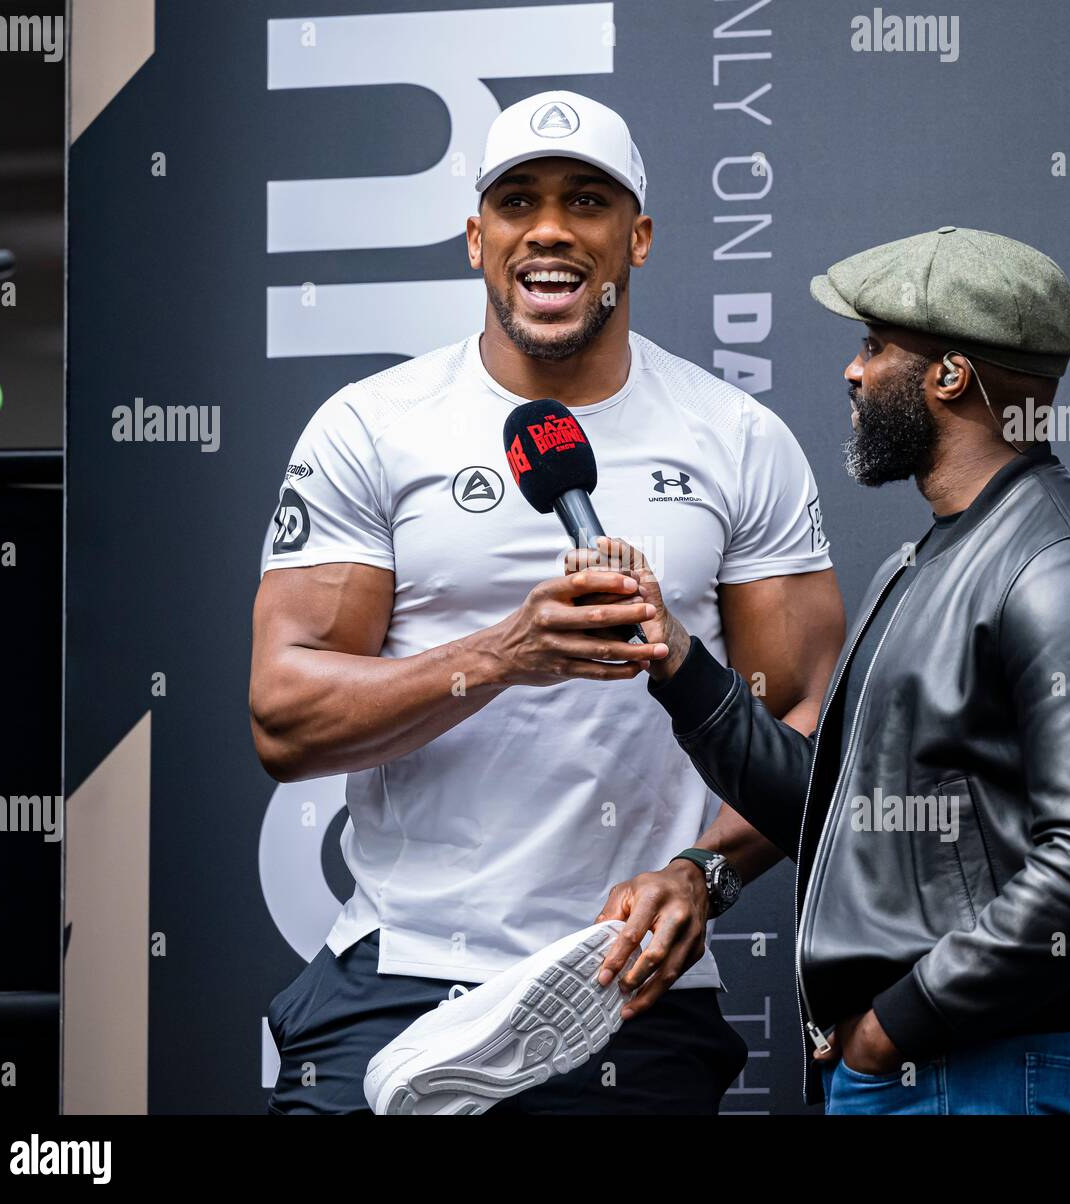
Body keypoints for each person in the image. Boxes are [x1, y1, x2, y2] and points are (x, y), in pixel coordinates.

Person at [249, 90, 845, 1114]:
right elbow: (283, 716)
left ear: (639, 237)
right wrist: (505, 650)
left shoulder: (738, 440)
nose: (551, 228)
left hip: (623, 982)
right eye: (517, 201)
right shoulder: (372, 427)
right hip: (401, 974)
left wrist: (704, 872)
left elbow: (802, 727)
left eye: (588, 201)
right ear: (478, 239)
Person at [592, 227, 1070, 1114]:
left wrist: (896, 1024)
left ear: (948, 377)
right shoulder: (934, 560)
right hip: (923, 1069)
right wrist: (675, 660)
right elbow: (834, 816)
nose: (852, 373)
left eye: (873, 347)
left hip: (978, 1066)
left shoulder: (1062, 569)